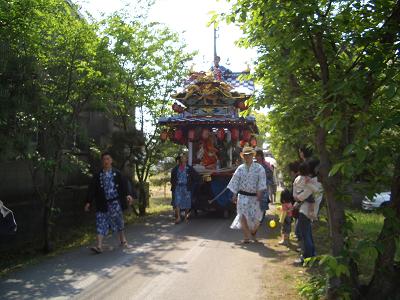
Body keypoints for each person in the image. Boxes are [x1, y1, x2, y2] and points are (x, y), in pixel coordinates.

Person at [85, 152, 134, 254]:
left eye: (108, 159)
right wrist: (88, 202)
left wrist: (128, 195)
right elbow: (92, 189)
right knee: (100, 223)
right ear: (102, 162)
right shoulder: (98, 175)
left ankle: (123, 240)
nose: (106, 161)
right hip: (102, 203)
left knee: (118, 221)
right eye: (104, 159)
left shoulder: (117, 173)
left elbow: (125, 185)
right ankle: (99, 246)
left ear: (111, 161)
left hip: (115, 202)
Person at [228, 146, 267, 243]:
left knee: (257, 218)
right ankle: (246, 237)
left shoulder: (259, 168)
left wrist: (259, 191)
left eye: (249, 155)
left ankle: (253, 232)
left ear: (252, 155)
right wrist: (234, 194)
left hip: (255, 197)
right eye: (245, 155)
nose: (247, 157)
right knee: (243, 216)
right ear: (243, 156)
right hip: (242, 196)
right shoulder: (240, 169)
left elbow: (262, 180)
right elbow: (235, 181)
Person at [293, 159, 323, 264]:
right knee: (308, 233)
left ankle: (306, 257)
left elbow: (301, 197)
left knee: (304, 234)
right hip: (310, 211)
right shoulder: (316, 180)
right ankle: (312, 255)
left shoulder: (311, 182)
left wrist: (297, 197)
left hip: (305, 211)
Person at [170, 153, 199, 224]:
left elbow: (196, 177)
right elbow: (172, 179)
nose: (183, 158)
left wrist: (192, 185)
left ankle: (186, 216)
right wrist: (174, 185)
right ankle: (179, 218)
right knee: (177, 202)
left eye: (184, 157)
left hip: (186, 187)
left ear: (186, 159)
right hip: (178, 188)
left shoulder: (189, 168)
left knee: (187, 203)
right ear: (180, 159)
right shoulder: (175, 169)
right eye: (182, 157)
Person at [255, 150, 272, 215]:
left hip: (264, 186)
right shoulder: (253, 164)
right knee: (256, 202)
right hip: (255, 186)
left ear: (261, 156)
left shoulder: (266, 164)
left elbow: (269, 175)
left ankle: (262, 216)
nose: (257, 157)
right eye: (256, 156)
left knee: (263, 201)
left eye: (258, 155)